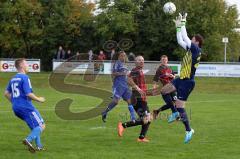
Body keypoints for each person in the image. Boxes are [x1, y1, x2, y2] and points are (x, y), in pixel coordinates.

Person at [161, 13, 203, 143]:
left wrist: (183, 21)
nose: (190, 39)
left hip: (187, 82)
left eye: (193, 38)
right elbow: (180, 40)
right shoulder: (191, 50)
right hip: (180, 79)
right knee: (164, 91)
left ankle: (189, 129)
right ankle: (174, 113)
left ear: (197, 42)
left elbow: (185, 37)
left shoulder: (196, 49)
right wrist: (178, 27)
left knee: (181, 107)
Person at [4, 58, 46, 153]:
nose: (28, 65)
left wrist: (15, 102)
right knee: (42, 125)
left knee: (34, 127)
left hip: (16, 108)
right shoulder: (25, 77)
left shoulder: (13, 78)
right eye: (26, 64)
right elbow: (28, 94)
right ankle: (28, 139)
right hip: (26, 107)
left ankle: (39, 146)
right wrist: (39, 99)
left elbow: (6, 93)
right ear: (22, 66)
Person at [101, 51, 145, 122]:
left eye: (124, 56)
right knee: (115, 102)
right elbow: (113, 73)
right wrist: (122, 73)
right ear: (119, 56)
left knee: (129, 101)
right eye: (122, 56)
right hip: (119, 85)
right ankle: (105, 112)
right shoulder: (117, 63)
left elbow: (126, 76)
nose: (123, 57)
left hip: (125, 86)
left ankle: (133, 118)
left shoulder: (125, 65)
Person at [118, 55, 151, 142]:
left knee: (147, 119)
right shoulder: (135, 70)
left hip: (142, 98)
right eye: (139, 60)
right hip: (137, 98)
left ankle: (141, 138)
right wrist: (137, 88)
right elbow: (128, 79)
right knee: (146, 118)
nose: (141, 62)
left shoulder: (139, 71)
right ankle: (123, 125)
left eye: (143, 60)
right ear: (135, 62)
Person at [152, 55, 179, 122]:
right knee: (170, 103)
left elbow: (174, 76)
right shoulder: (159, 69)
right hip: (165, 89)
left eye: (165, 60)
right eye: (163, 60)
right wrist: (154, 87)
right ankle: (176, 115)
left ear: (167, 60)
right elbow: (155, 78)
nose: (164, 61)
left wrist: (172, 76)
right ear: (161, 61)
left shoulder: (170, 68)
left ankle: (157, 111)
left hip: (172, 88)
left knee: (176, 102)